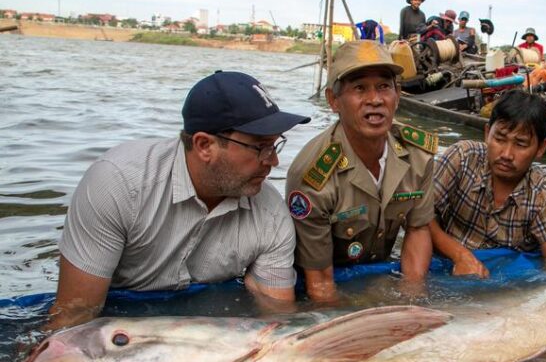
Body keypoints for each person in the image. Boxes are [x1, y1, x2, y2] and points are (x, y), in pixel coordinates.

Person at [49, 71, 311, 330]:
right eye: (260, 147)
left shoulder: (271, 213)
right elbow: (73, 319)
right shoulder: (118, 185)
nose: (273, 161)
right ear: (204, 145)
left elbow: (277, 322)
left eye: (275, 145)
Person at [285, 41, 436, 303]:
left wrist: (411, 299)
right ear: (333, 100)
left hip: (379, 270)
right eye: (359, 88)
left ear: (397, 95)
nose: (375, 100)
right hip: (325, 277)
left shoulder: (418, 153)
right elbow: (320, 282)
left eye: (384, 87)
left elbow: (418, 228)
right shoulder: (313, 175)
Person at [432, 90, 546, 278]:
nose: (506, 154)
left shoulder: (544, 195)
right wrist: (460, 255)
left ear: (541, 148)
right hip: (443, 264)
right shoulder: (462, 158)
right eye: (499, 139)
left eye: (521, 144)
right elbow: (418, 216)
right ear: (486, 133)